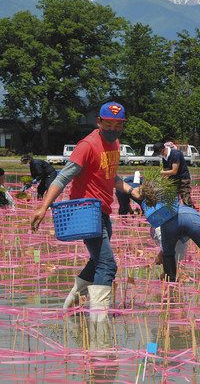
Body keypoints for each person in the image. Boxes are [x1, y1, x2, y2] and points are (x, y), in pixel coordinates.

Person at [30, 102, 139, 317]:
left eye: (118, 125)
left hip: (103, 210)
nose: (113, 129)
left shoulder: (115, 144)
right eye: (109, 124)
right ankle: (99, 320)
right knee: (107, 265)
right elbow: (63, 177)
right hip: (86, 212)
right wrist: (43, 207)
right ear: (99, 122)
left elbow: (108, 174)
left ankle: (72, 299)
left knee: (97, 260)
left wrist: (129, 189)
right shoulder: (87, 146)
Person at [155, 205, 200, 282]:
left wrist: (163, 251)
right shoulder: (193, 211)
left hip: (170, 220)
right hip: (192, 220)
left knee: (168, 254)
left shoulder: (164, 214)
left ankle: (170, 284)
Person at [153, 142, 194, 208]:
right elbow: (167, 171)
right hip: (173, 179)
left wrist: (160, 173)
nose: (159, 155)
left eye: (158, 153)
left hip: (183, 179)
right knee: (172, 199)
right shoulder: (164, 157)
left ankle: (193, 213)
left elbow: (174, 171)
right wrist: (161, 181)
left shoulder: (175, 154)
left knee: (185, 198)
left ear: (162, 150)